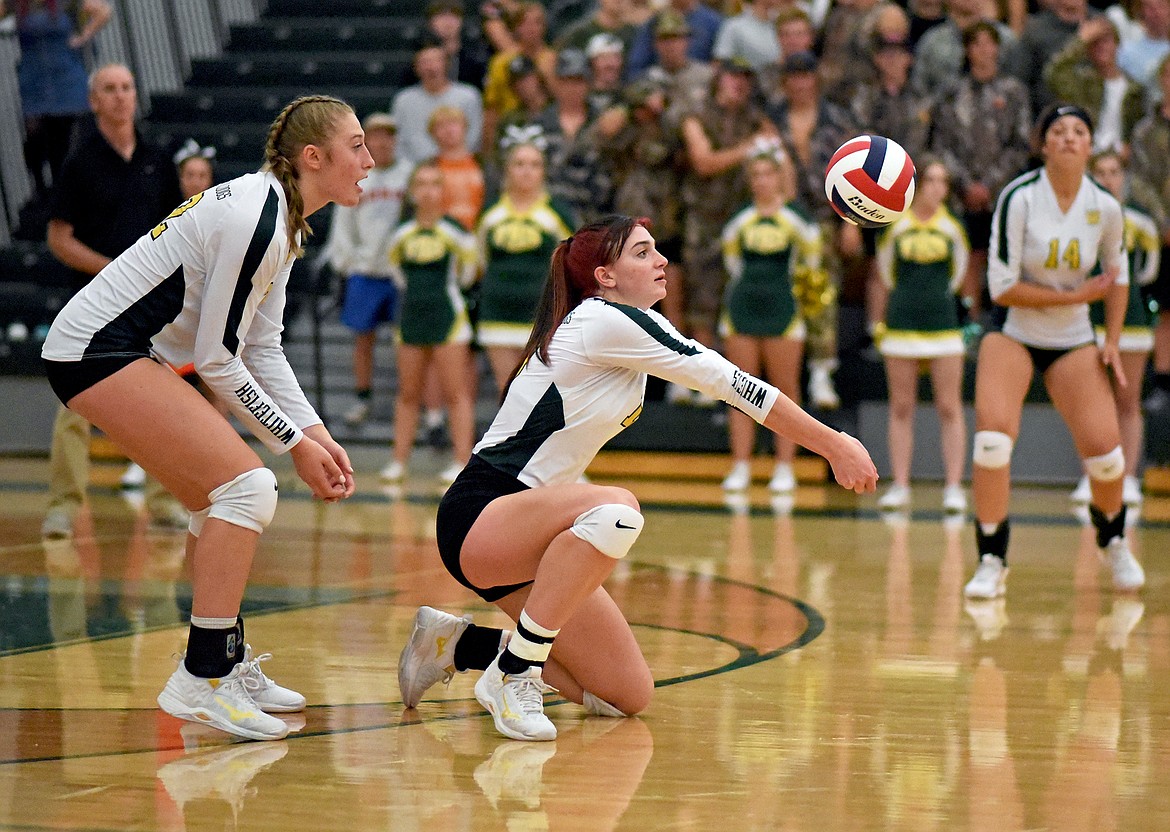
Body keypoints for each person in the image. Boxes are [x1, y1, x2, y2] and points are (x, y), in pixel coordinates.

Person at [396, 215, 878, 742]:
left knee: (624, 695)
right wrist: (833, 443)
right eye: (643, 253)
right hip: (483, 514)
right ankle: (514, 677)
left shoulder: (635, 325)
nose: (662, 260)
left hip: (539, 535)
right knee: (617, 509)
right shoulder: (602, 320)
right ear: (605, 276)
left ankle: (455, 645)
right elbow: (730, 382)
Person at [41, 94, 369, 740]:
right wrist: (293, 446)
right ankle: (202, 677)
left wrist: (317, 434)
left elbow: (261, 347)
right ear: (313, 157)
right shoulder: (258, 218)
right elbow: (215, 359)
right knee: (248, 487)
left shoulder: (283, 217)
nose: (368, 160)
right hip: (95, 350)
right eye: (355, 146)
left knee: (218, 500)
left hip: (124, 350)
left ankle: (223, 657)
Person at [963, 104, 1145, 601]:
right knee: (993, 442)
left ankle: (1112, 539)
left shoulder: (1105, 206)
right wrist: (1074, 297)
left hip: (1072, 339)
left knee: (1107, 459)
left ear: (1090, 145)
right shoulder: (1019, 198)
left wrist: (1110, 339)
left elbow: (1117, 277)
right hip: (1015, 330)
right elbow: (1001, 288)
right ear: (1043, 145)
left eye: (1079, 131)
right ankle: (992, 557)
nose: (1068, 138)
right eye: (1058, 131)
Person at [42, 63, 188, 539]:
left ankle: (167, 501)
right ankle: (64, 506)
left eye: (127, 87)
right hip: (90, 304)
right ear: (94, 101)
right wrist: (111, 270)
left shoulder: (157, 158)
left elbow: (176, 229)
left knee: (163, 403)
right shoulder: (79, 162)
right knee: (74, 410)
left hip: (148, 307)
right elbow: (59, 239)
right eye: (110, 89)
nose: (122, 96)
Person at [719, 143, 821, 494]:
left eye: (768, 174)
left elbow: (812, 263)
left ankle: (784, 465)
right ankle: (741, 465)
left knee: (784, 391)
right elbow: (732, 262)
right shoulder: (739, 220)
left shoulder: (797, 220)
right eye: (756, 175)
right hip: (742, 309)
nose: (762, 181)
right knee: (739, 389)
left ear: (781, 177)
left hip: (784, 310)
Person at [121, 138, 221, 489]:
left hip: (205, 314)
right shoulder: (163, 216)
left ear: (211, 179)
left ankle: (214, 456)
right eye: (189, 174)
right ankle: (144, 462)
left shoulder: (219, 216)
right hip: (164, 317)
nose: (195, 180)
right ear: (179, 178)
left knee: (216, 384)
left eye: (202, 174)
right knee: (156, 392)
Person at [872, 158, 971, 513]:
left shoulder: (953, 227)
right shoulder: (894, 225)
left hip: (943, 325)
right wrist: (879, 321)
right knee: (901, 406)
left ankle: (954, 487)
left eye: (943, 182)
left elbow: (960, 275)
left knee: (949, 406)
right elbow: (884, 273)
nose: (936, 188)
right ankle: (899, 484)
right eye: (930, 180)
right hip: (901, 324)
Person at [1069, 149, 1159, 508]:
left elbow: (1148, 272)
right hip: (1087, 321)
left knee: (1127, 400)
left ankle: (1130, 477)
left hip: (1132, 321)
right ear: (1091, 177)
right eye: (1101, 172)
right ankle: (1088, 477)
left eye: (1114, 172)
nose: (1108, 178)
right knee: (1088, 404)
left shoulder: (1141, 222)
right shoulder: (1077, 220)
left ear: (1124, 177)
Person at [380, 161, 479, 485]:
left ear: (443, 191)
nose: (427, 190)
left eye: (435, 183)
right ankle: (399, 461)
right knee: (408, 393)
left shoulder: (457, 233)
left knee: (456, 393)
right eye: (421, 183)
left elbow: (467, 274)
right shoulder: (401, 234)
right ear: (412, 191)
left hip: (449, 319)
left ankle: (461, 460)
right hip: (411, 319)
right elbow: (397, 274)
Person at [323, 112, 411, 426]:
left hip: (402, 275)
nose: (383, 141)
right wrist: (347, 262)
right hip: (365, 271)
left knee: (408, 342)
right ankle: (362, 399)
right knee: (363, 340)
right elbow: (343, 222)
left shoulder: (410, 175)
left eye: (388, 135)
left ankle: (413, 403)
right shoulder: (357, 175)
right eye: (376, 136)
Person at [476, 133, 576, 392]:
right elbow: (478, 260)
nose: (527, 171)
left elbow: (573, 263)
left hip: (542, 316)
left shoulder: (557, 213)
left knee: (540, 391)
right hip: (497, 313)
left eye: (534, 164)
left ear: (544, 171)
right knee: (507, 390)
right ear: (507, 170)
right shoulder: (490, 213)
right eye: (519, 164)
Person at [6, 0, 112, 209]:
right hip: (35, 76)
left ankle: (70, 192)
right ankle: (44, 189)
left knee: (67, 136)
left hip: (65, 72)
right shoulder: (17, 4)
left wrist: (84, 35)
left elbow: (103, 11)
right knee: (36, 136)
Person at [391, 35, 483, 165]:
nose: (431, 67)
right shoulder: (403, 100)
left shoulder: (468, 96)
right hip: (415, 171)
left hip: (460, 166)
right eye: (425, 62)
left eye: (436, 61)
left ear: (446, 64)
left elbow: (474, 138)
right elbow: (398, 142)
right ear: (416, 67)